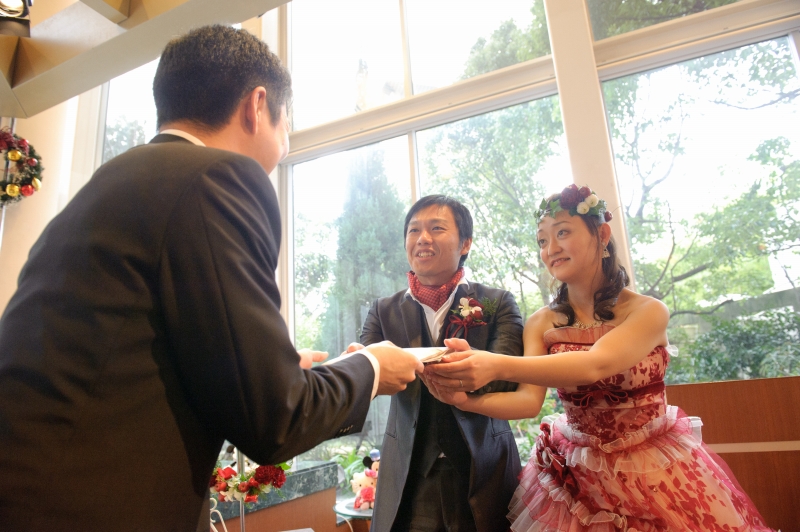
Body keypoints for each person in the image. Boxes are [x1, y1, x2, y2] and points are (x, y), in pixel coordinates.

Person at [0, 26, 422, 531]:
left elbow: (131, 358)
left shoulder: (112, 182)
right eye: (286, 125)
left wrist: (274, 367)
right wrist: (372, 367)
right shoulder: (218, 177)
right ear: (257, 106)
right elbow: (276, 419)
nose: (284, 146)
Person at [424, 184, 774, 531]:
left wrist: (494, 364)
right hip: (577, 480)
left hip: (655, 470)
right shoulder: (541, 323)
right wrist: (465, 401)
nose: (550, 249)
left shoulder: (648, 311)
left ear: (602, 235)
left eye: (562, 233)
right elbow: (528, 402)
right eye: (542, 240)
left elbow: (596, 364)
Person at [352, 194, 524, 532]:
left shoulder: (497, 302)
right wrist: (356, 367)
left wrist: (462, 371)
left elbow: (506, 377)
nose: (423, 238)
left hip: (486, 471)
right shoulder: (383, 311)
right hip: (409, 479)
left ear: (465, 243)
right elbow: (368, 372)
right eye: (414, 230)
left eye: (437, 228)